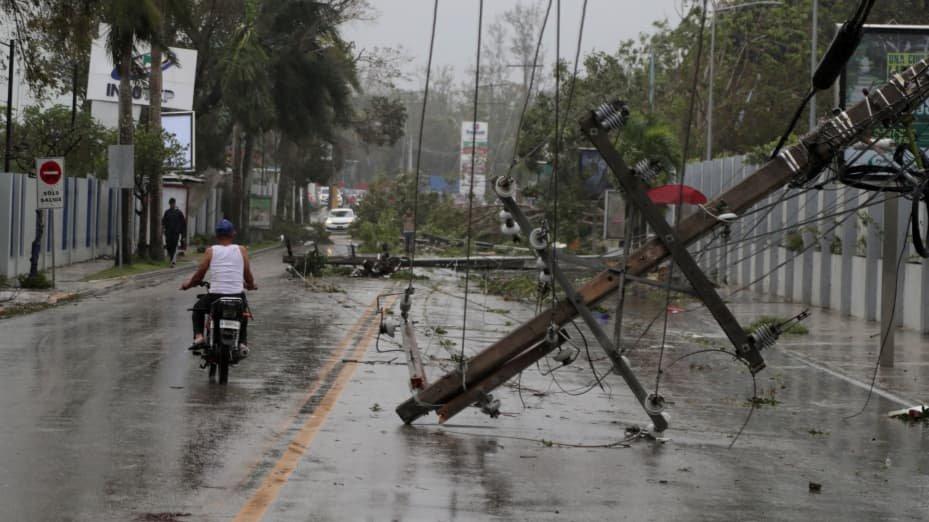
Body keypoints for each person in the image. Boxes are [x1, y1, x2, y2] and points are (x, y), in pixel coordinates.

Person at [181, 219, 257, 357]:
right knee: (243, 314)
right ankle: (242, 343)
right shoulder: (242, 250)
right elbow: (247, 275)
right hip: (237, 296)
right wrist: (251, 285)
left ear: (217, 235)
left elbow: (199, 275)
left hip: (215, 297)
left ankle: (199, 337)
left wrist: (188, 285)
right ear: (233, 234)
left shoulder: (211, 251)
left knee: (198, 309)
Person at [162, 198, 187, 267]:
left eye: (173, 203)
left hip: (176, 233)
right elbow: (163, 221)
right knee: (168, 245)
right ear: (169, 204)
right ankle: (171, 258)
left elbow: (183, 224)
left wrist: (183, 234)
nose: (172, 205)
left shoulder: (179, 213)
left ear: (175, 204)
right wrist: (163, 229)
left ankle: (172, 261)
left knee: (174, 246)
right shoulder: (167, 212)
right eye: (171, 204)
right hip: (168, 232)